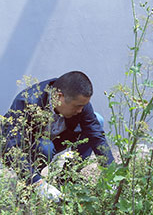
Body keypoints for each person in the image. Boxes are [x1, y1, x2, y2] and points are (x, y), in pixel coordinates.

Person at [1, 71, 114, 202]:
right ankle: (29, 186)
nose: (80, 111)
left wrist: (112, 173)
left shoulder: (78, 100)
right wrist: (37, 183)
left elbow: (96, 135)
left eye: (83, 106)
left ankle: (66, 179)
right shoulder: (28, 102)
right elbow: (11, 147)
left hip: (58, 138)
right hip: (31, 146)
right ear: (59, 97)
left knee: (98, 120)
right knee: (45, 147)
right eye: (78, 106)